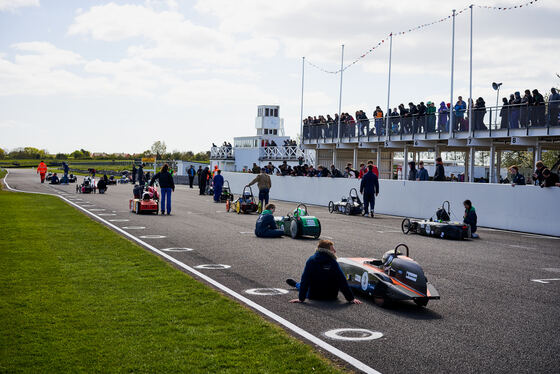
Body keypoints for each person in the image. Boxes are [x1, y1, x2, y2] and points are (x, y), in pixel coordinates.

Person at [286, 240, 361, 304]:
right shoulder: (333, 262)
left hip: (313, 295)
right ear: (327, 250)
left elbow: (305, 280)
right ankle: (296, 284)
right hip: (331, 296)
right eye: (332, 249)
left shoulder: (311, 260)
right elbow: (342, 280)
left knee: (303, 285)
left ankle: (296, 284)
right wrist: (351, 299)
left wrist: (301, 299)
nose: (335, 251)